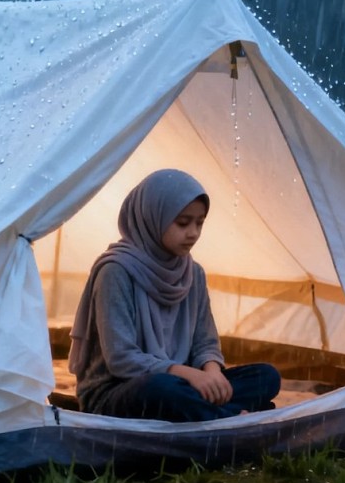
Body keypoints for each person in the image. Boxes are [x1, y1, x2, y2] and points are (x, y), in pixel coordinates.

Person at [68, 169, 280, 422]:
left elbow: (205, 343)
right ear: (153, 217)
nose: (193, 233)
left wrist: (211, 373)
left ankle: (209, 413)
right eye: (182, 222)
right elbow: (121, 359)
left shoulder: (194, 273)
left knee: (267, 377)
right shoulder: (115, 271)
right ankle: (231, 417)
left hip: (185, 383)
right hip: (118, 390)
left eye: (199, 223)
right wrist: (189, 375)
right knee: (161, 389)